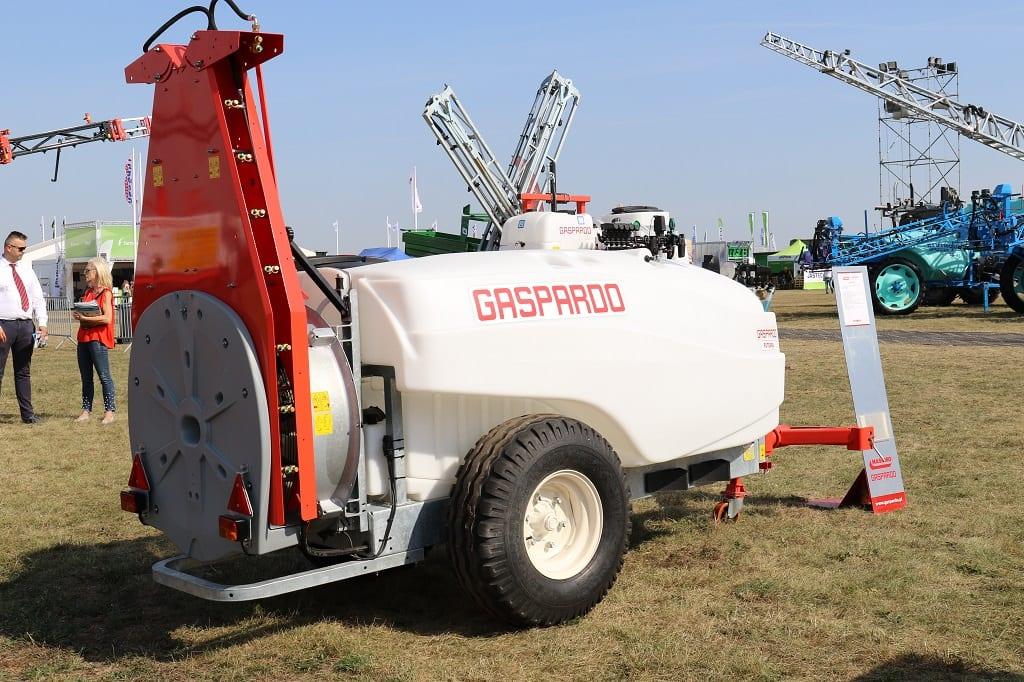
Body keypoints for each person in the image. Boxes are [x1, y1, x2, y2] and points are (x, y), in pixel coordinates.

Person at [0, 231, 48, 423]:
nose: (23, 252)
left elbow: (37, 297)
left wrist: (42, 323)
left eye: (24, 248)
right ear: (8, 247)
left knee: (23, 371)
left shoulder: (27, 270)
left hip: (26, 326)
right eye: (20, 248)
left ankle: (28, 415)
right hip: (3, 325)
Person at [73, 258, 116, 425]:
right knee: (86, 378)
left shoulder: (106, 293)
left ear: (98, 272)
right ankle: (86, 410)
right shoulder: (88, 293)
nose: (85, 274)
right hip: (83, 338)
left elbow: (107, 318)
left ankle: (109, 411)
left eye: (87, 271)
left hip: (98, 339)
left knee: (104, 376)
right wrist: (79, 315)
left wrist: (85, 318)